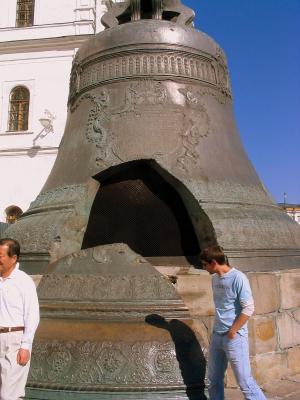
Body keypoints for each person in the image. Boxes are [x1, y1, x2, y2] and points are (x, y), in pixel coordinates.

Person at [200, 245, 266, 400]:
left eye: (205, 265)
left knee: (245, 383)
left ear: (214, 263)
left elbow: (248, 308)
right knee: (214, 381)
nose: (204, 268)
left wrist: (233, 331)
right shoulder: (215, 279)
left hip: (234, 338)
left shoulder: (239, 278)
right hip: (217, 336)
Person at [0, 238, 40, 400]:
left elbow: (32, 314)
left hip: (15, 341)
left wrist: (26, 345)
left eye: (0, 255)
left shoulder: (24, 281)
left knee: (9, 394)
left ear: (13, 258)